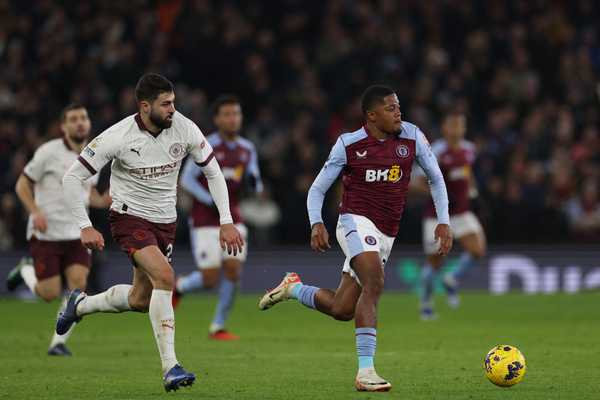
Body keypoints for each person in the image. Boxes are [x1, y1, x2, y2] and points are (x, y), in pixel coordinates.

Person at [258, 85, 452, 392]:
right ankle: (366, 372)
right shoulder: (349, 144)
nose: (398, 112)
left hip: (387, 232)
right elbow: (317, 189)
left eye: (398, 106)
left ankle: (293, 289)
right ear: (372, 116)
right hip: (354, 221)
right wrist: (316, 222)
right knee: (374, 282)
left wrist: (443, 221)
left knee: (341, 308)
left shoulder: (413, 136)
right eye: (391, 108)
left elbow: (436, 179)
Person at [58, 73, 244, 392]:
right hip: (129, 219)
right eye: (166, 104)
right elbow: (72, 178)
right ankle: (170, 367)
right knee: (165, 277)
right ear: (145, 107)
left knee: (140, 299)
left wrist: (226, 220)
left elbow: (212, 171)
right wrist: (84, 225)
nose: (173, 109)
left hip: (165, 223)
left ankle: (80, 305)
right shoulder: (117, 136)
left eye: (173, 102)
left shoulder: (184, 128)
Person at [6, 103, 110, 356]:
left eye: (83, 118)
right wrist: (35, 211)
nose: (79, 123)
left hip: (77, 231)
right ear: (63, 127)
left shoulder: (93, 154)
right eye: (73, 119)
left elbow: (90, 195)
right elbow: (22, 184)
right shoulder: (47, 152)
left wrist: (103, 200)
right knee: (49, 293)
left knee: (78, 288)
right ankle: (26, 270)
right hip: (47, 232)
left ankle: (57, 343)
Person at [174, 95, 263, 341]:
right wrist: (208, 198)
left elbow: (255, 181)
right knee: (210, 278)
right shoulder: (205, 145)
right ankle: (179, 286)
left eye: (236, 114)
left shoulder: (247, 149)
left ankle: (218, 326)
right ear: (217, 118)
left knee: (233, 271)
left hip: (233, 217)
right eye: (227, 114)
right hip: (204, 219)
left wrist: (253, 185)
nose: (233, 119)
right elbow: (187, 179)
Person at [415, 111, 486, 320]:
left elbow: (467, 172)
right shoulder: (434, 151)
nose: (457, 130)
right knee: (435, 261)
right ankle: (426, 303)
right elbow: (418, 183)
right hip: (437, 216)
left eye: (460, 126)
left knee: (477, 249)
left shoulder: (469, 150)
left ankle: (452, 278)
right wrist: (440, 195)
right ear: (445, 128)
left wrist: (472, 189)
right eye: (452, 126)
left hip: (462, 212)